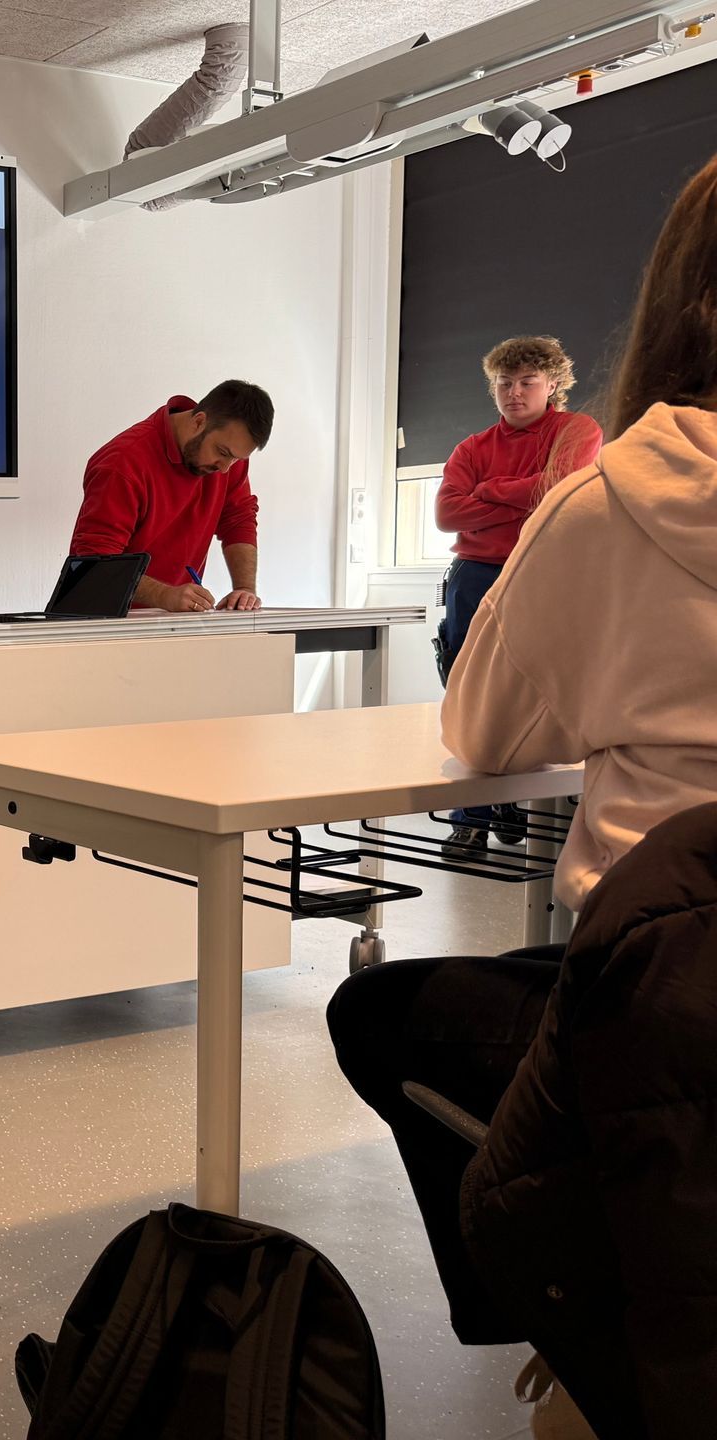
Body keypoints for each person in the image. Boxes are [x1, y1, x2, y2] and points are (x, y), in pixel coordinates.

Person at [329, 152, 717, 1437]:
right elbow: (457, 503)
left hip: (666, 999)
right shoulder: (535, 468)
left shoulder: (601, 497)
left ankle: (560, 1299)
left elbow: (485, 727)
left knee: (380, 1013)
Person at [433, 336, 602, 859]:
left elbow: (559, 489)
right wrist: (522, 493)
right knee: (469, 691)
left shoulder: (577, 430)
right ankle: (472, 818)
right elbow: (446, 514)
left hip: (543, 571)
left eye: (527, 382)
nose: (514, 392)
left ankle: (519, 802)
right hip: (475, 574)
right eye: (504, 383)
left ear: (553, 384)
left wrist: (486, 492)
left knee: (537, 688)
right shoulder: (472, 447)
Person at [68, 383, 272, 612]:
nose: (225, 469)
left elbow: (238, 519)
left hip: (168, 619)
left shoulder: (226, 456)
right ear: (199, 422)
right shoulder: (121, 463)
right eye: (223, 453)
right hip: (99, 621)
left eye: (236, 459)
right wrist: (164, 595)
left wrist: (245, 590)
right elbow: (95, 564)